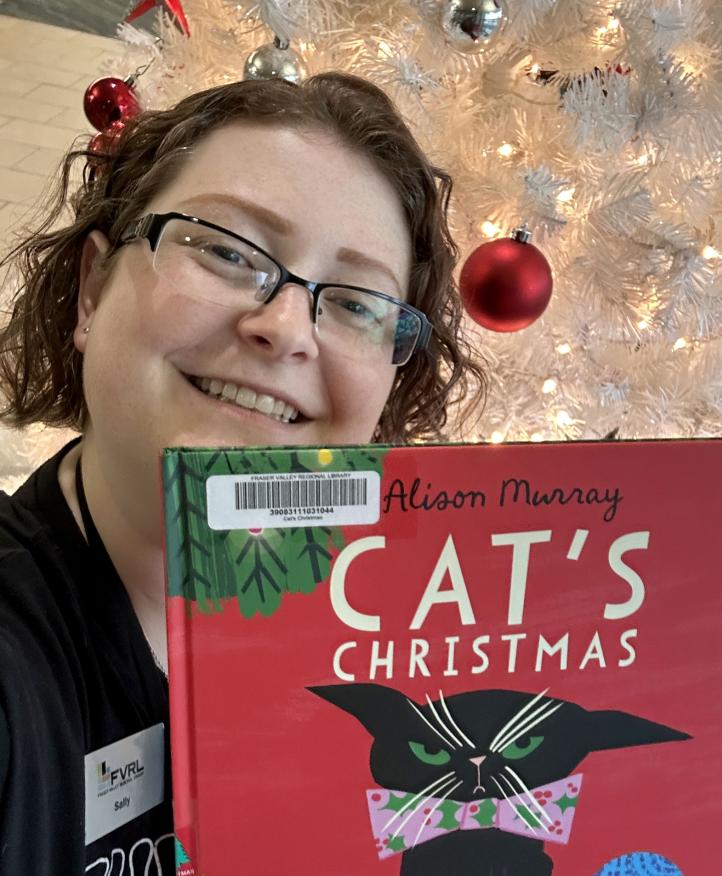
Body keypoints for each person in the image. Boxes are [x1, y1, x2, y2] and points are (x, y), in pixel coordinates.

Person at [0, 72, 485, 875]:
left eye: (359, 303)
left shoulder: (429, 635)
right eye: (227, 251)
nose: (286, 329)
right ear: (92, 289)